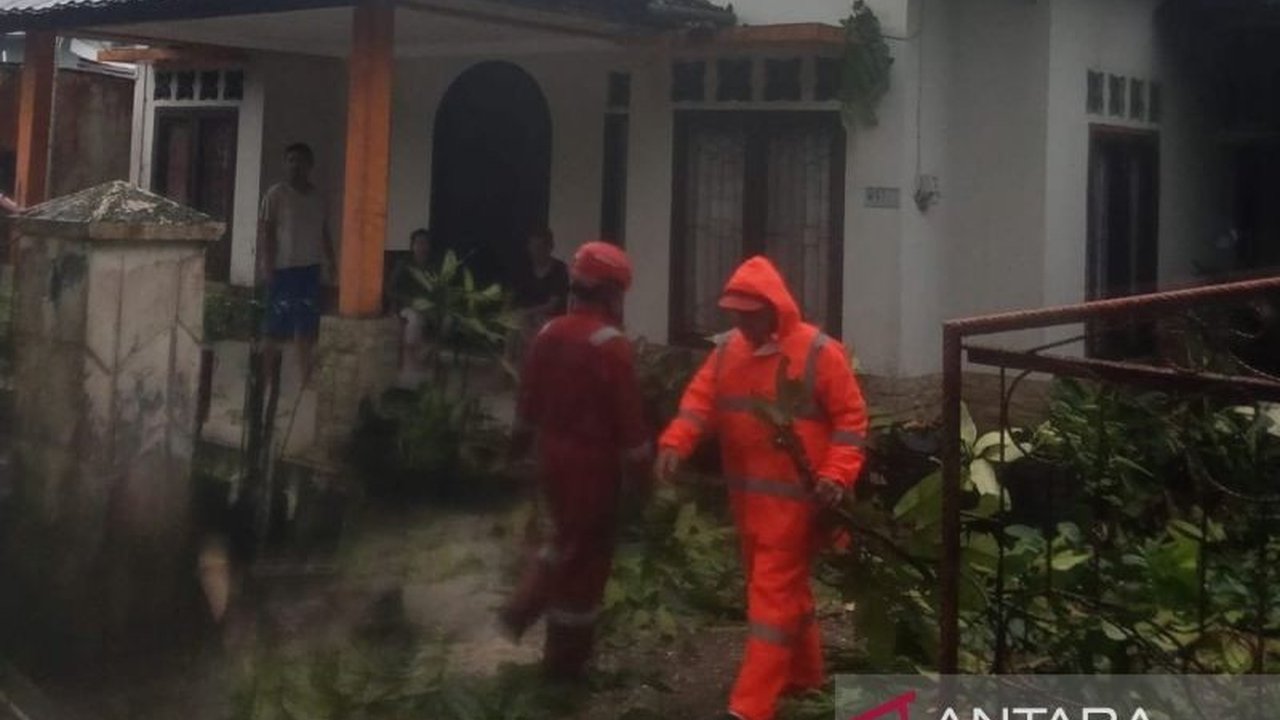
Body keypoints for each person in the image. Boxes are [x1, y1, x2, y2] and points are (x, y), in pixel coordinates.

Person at [654, 256, 869, 720]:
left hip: (796, 507)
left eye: (749, 314)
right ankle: (807, 677)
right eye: (735, 314)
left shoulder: (817, 353)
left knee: (770, 601)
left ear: (775, 308)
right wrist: (675, 442)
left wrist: (836, 475)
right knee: (781, 591)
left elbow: (852, 423)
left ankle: (750, 706)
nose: (741, 323)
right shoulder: (728, 351)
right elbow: (699, 403)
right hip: (749, 502)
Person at [501, 240, 652, 681]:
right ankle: (564, 663)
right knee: (585, 563)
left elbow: (525, 408)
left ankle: (523, 607)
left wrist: (513, 455)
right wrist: (645, 485)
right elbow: (632, 432)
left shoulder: (547, 335)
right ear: (610, 293)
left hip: (551, 460)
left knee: (565, 538)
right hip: (594, 468)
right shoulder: (612, 347)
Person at [256, 142, 335, 383]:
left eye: (300, 161)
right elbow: (267, 232)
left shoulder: (318, 198)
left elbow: (323, 231)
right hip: (283, 269)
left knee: (306, 326)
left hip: (309, 268)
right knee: (274, 326)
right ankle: (265, 377)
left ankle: (306, 375)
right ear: (284, 164)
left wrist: (332, 261)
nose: (294, 165)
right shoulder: (276, 194)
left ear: (309, 165)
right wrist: (267, 265)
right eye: (290, 160)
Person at [509, 227, 569, 365]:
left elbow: (552, 305)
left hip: (552, 317)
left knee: (528, 325)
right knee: (514, 323)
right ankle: (509, 366)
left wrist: (526, 312)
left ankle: (529, 368)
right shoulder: (525, 268)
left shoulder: (559, 270)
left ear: (549, 247)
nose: (535, 251)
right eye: (532, 246)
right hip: (527, 316)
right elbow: (515, 295)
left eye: (539, 247)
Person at [387, 228, 436, 381]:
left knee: (447, 320)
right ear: (412, 246)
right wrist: (408, 302)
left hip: (429, 307)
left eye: (425, 243)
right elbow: (391, 289)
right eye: (418, 243)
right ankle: (411, 362)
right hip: (406, 307)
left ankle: (428, 353)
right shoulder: (404, 265)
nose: (422, 247)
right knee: (414, 320)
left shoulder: (432, 267)